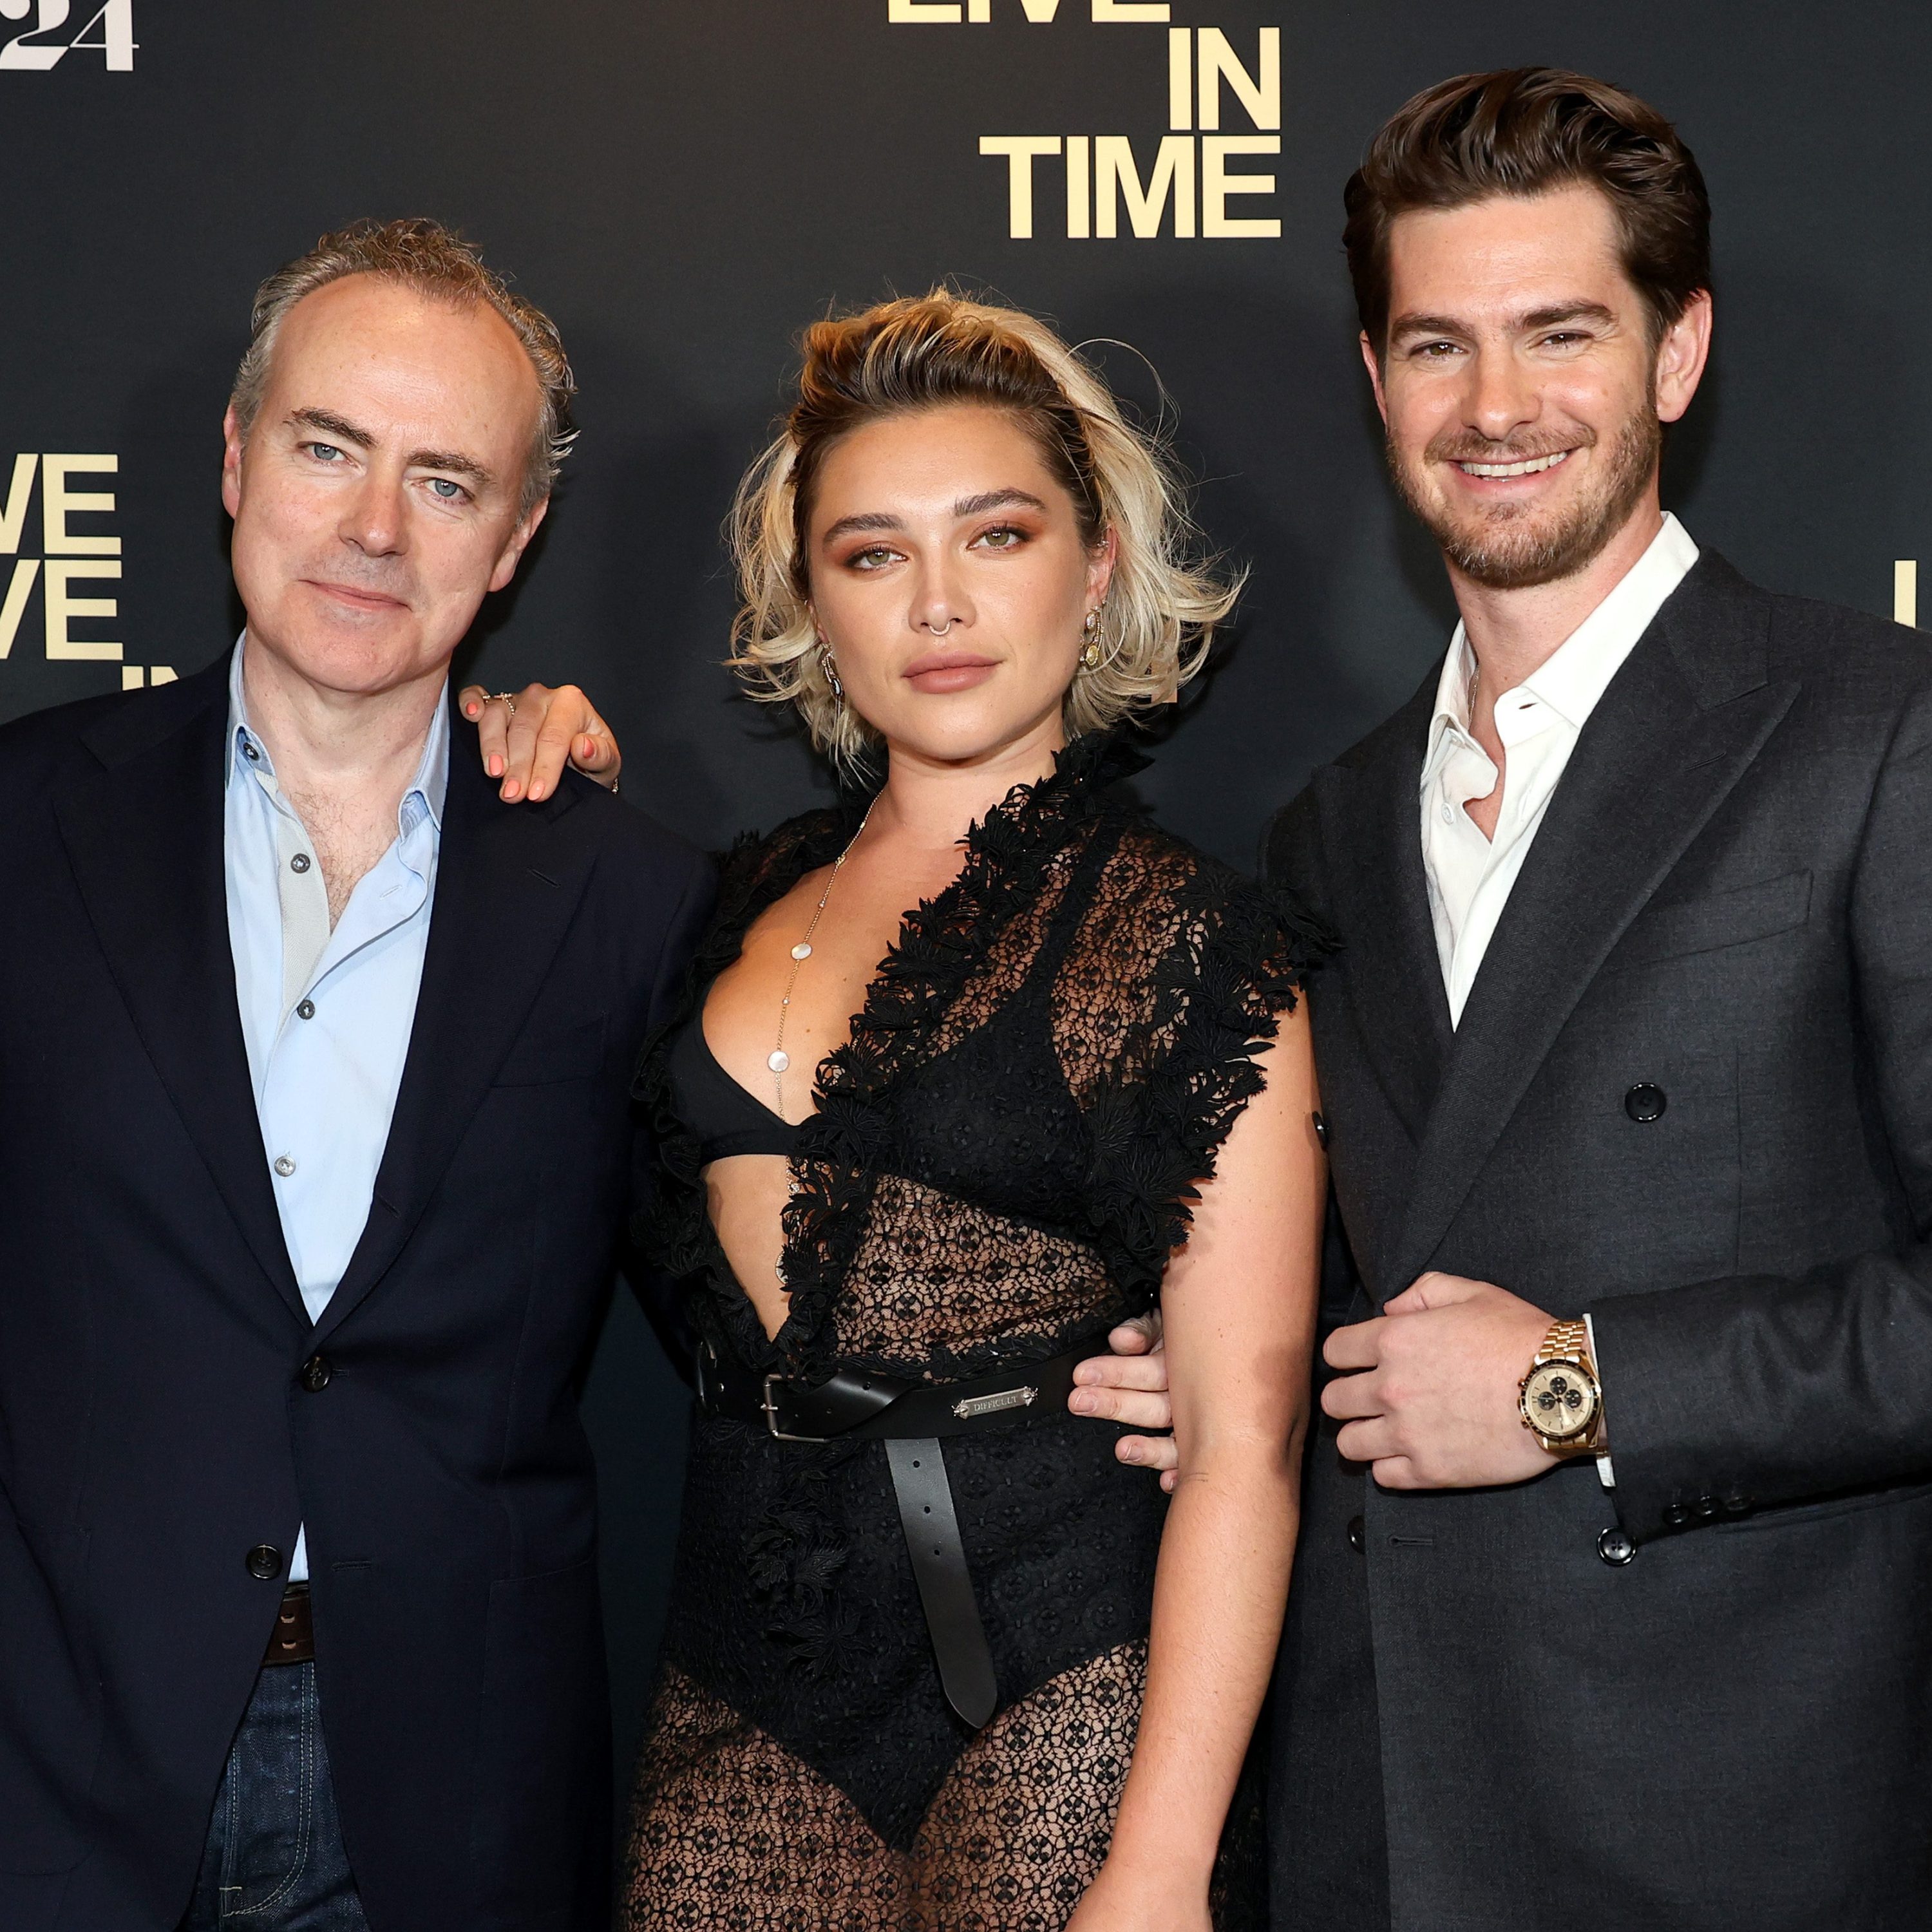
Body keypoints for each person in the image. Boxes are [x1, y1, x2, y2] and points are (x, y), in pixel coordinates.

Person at [1101, 64, 1932, 1931]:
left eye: (1561, 334)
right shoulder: (1325, 827)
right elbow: (1398, 1270)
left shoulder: (1882, 732)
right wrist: (1242, 1375)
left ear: (1677, 351)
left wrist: (1580, 1388)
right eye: (1435, 346)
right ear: (1375, 375)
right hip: (1383, 1810)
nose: (1494, 410)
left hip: (1737, 1814)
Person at [0, 218, 706, 1932]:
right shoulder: (21, 825)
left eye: (446, 480)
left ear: (519, 537)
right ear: (239, 460)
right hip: (52, 1764)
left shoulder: (631, 894)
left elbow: (760, 1322)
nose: (376, 529)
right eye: (329, 450)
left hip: (448, 1794)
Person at [618, 292, 1327, 1931]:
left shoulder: (1185, 939)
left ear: (1092, 568)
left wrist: (1160, 1866)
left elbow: (1240, 1444)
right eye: (871, 554)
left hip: (1057, 1672)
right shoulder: (731, 899)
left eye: (994, 535)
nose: (938, 603)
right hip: (742, 1672)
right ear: (813, 597)